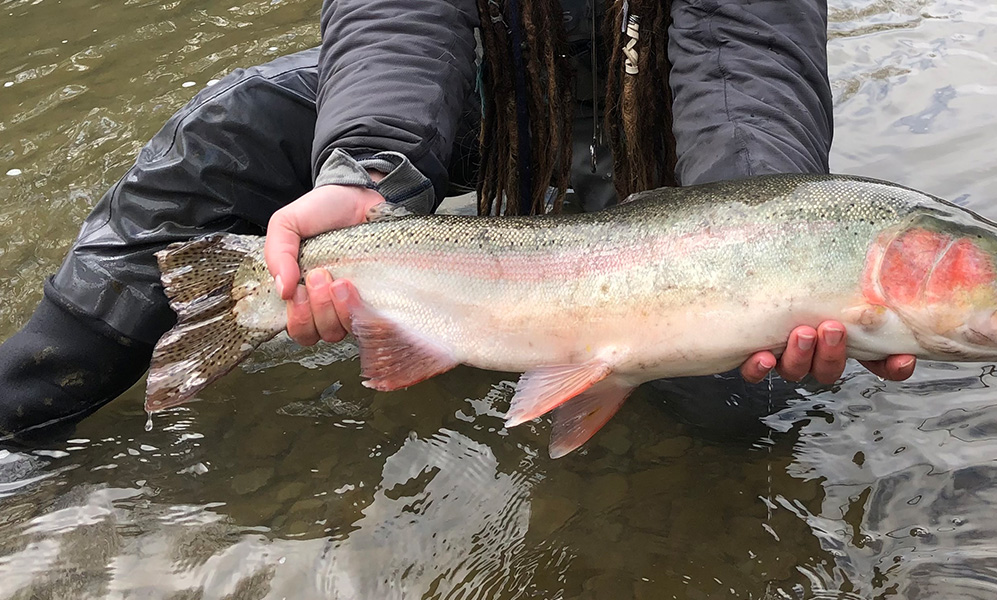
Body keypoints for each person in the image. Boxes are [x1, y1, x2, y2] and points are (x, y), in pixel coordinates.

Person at [0, 0, 914, 442]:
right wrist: (370, 171)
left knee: (739, 390)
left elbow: (741, 58)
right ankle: (28, 408)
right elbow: (396, 18)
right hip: (484, 86)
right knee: (234, 124)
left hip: (668, 108)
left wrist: (771, 238)